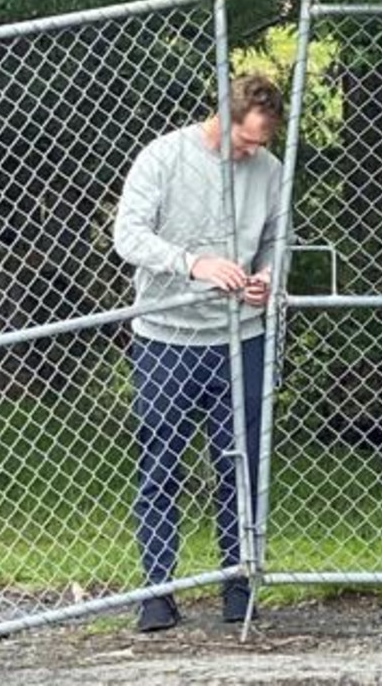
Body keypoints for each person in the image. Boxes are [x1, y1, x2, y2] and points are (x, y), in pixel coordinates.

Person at [113, 74, 287, 632]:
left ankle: (240, 588)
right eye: (246, 140)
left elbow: (277, 244)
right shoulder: (163, 157)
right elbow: (128, 236)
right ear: (222, 117)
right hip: (166, 337)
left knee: (240, 467)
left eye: (261, 142)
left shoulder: (269, 170)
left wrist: (265, 280)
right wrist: (194, 263)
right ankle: (158, 592)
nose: (252, 152)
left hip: (243, 337)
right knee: (160, 464)